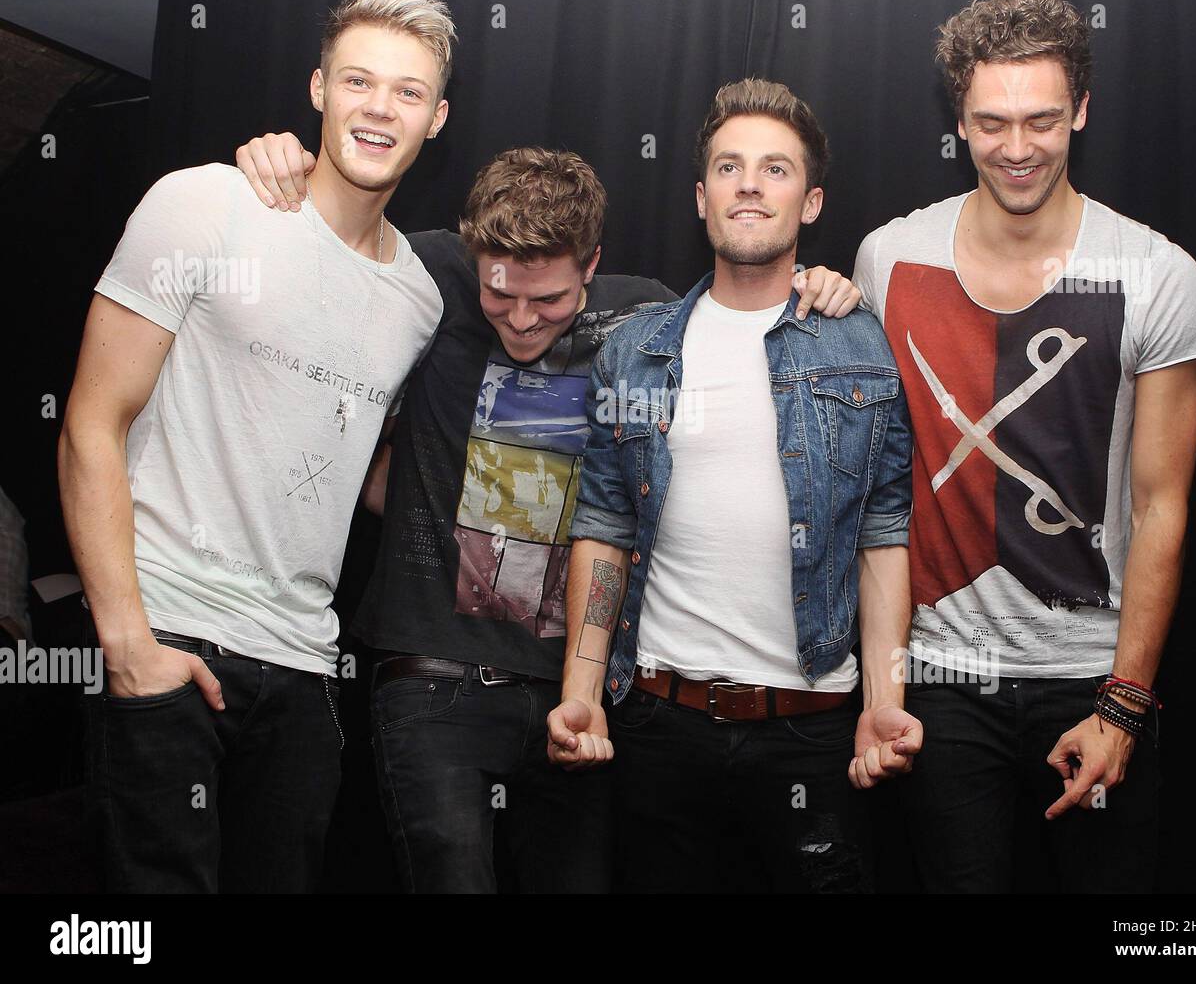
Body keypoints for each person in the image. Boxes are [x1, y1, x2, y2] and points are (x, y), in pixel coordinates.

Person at [233, 136, 862, 893]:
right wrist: (280, 161)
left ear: (592, 266)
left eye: (550, 299)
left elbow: (753, 320)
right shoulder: (428, 271)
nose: (523, 319)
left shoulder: (649, 318)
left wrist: (817, 286)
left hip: (581, 693)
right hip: (435, 680)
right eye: (500, 294)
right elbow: (327, 231)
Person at [58, 0, 454, 893]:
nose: (379, 107)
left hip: (305, 674)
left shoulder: (421, 301)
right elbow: (91, 419)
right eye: (359, 80)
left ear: (437, 118)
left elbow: (348, 457)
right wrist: (126, 639)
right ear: (319, 90)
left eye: (406, 91)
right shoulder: (205, 205)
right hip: (169, 635)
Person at [849, 0, 1196, 892]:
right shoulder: (889, 259)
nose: (1017, 149)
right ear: (959, 121)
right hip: (943, 675)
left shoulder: (1155, 272)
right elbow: (876, 494)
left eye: (1043, 121)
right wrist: (885, 689)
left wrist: (1124, 706)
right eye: (991, 122)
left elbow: (1161, 504)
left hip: (1092, 676)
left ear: (1082, 112)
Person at [547, 79, 919, 893]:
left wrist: (882, 703)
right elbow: (604, 526)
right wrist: (583, 695)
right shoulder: (635, 350)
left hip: (814, 734)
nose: (749, 183)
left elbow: (884, 533)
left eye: (775, 169)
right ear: (701, 196)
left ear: (811, 201)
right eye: (729, 166)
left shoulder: (858, 343)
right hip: (659, 725)